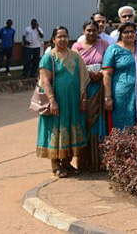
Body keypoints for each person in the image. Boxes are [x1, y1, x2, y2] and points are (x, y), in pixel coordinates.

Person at [36, 27, 88, 178]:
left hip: (73, 101)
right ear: (53, 39)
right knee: (56, 129)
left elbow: (83, 79)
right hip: (57, 101)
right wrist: (52, 101)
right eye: (59, 37)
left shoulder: (75, 56)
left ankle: (66, 163)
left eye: (65, 36)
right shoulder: (49, 57)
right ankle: (56, 166)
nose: (63, 39)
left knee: (72, 129)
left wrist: (83, 99)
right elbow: (45, 81)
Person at [71, 19, 110, 172]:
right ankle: (85, 162)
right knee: (85, 121)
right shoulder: (77, 47)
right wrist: (89, 74)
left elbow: (108, 65)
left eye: (94, 30)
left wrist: (99, 74)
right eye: (88, 30)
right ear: (83, 31)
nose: (92, 33)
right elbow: (74, 67)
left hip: (100, 86)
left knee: (98, 122)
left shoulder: (104, 45)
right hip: (84, 87)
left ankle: (99, 160)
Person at [102, 21, 137, 131]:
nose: (129, 34)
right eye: (126, 32)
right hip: (121, 94)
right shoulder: (113, 49)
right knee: (122, 122)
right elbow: (107, 74)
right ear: (120, 34)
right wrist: (108, 97)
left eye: (132, 32)